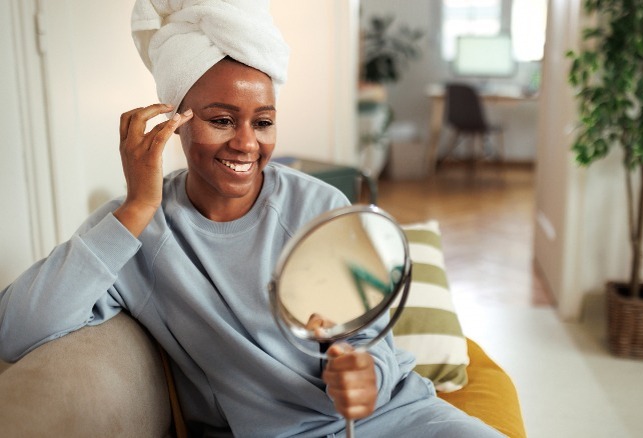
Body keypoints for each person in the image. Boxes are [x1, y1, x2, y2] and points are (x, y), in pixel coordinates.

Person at [0, 1, 503, 437]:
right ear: (173, 122)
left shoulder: (320, 207)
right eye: (221, 120)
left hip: (394, 418)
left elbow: (368, 340)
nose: (246, 143)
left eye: (263, 122)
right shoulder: (136, 229)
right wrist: (135, 208)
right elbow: (16, 329)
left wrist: (363, 375)